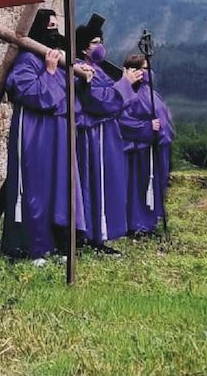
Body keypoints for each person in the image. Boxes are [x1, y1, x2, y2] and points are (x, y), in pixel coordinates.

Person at [0, 9, 88, 262]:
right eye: (48, 26)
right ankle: (32, 245)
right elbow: (32, 94)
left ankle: (59, 242)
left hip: (58, 131)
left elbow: (68, 92)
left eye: (55, 25)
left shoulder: (60, 59)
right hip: (34, 131)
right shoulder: (27, 60)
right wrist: (49, 72)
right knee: (35, 186)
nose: (53, 30)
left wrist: (82, 77)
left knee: (59, 186)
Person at [73, 14, 140, 255]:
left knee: (109, 181)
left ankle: (101, 233)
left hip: (106, 133)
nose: (99, 46)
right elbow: (100, 102)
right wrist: (124, 84)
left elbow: (114, 102)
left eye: (100, 41)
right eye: (94, 42)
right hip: (93, 135)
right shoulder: (81, 71)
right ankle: (94, 236)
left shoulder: (98, 70)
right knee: (96, 183)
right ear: (82, 48)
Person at [120, 53, 174, 238]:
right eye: (144, 68)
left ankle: (150, 221)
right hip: (140, 151)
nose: (148, 72)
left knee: (155, 185)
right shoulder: (129, 94)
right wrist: (146, 127)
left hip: (157, 148)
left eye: (148, 68)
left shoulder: (152, 92)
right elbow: (122, 120)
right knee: (139, 187)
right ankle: (137, 224)